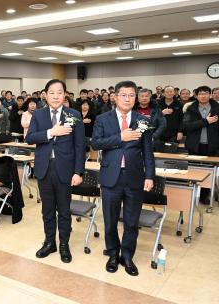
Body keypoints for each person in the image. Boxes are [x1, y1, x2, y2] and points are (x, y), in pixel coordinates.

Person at [91, 80, 155, 277]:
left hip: (135, 177)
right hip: (111, 177)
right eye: (124, 95)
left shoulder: (142, 119)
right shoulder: (103, 119)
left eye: (131, 95)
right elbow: (96, 143)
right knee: (110, 221)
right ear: (115, 97)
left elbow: (147, 151)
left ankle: (127, 255)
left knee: (131, 222)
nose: (128, 99)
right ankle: (112, 254)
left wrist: (150, 176)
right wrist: (121, 136)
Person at [26, 79, 85, 263]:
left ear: (65, 94)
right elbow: (30, 138)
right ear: (45, 94)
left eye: (59, 92)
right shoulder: (39, 115)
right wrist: (52, 132)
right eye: (52, 92)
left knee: (64, 210)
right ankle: (49, 242)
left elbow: (80, 145)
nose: (56, 96)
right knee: (47, 209)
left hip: (65, 170)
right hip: (44, 168)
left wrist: (78, 172)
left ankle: (64, 245)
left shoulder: (73, 114)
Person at [183, 86, 219, 204]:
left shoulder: (217, 108)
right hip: (195, 146)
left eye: (206, 93)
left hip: (212, 146)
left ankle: (204, 196)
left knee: (209, 173)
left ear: (210, 95)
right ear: (196, 95)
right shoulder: (190, 109)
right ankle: (192, 195)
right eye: (201, 94)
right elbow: (186, 126)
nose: (203, 96)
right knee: (193, 171)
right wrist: (205, 121)